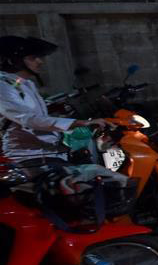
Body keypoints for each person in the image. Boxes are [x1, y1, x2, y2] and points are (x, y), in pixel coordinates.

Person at [0, 36, 108, 171]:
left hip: (50, 152)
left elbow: (40, 115)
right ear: (14, 61)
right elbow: (27, 119)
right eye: (33, 58)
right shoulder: (3, 86)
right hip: (29, 157)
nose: (40, 62)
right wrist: (80, 123)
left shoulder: (26, 83)